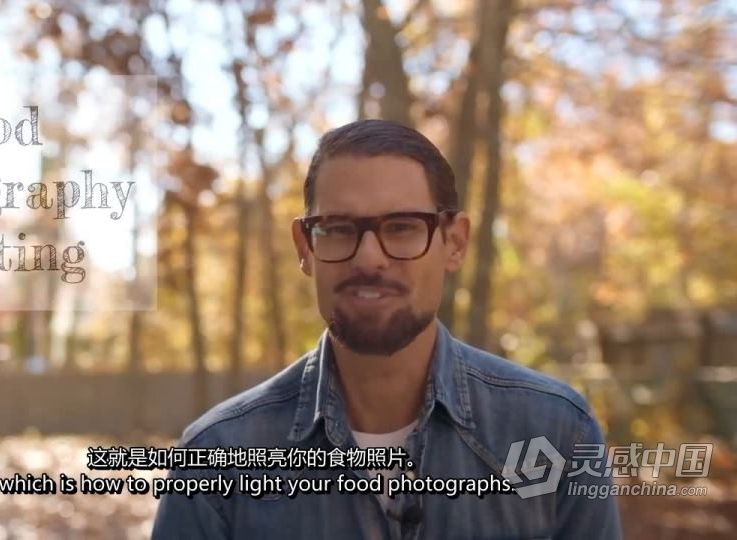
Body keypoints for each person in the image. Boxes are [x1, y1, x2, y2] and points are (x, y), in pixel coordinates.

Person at [151, 119, 621, 539]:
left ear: (453, 243)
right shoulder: (215, 459)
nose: (369, 257)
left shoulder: (555, 431)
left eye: (401, 227)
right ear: (305, 247)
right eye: (337, 228)